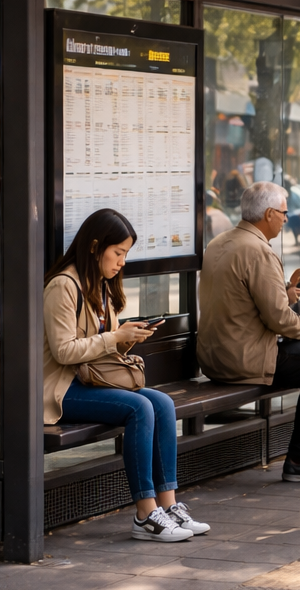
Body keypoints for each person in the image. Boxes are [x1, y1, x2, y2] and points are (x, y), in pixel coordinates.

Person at [43, 208, 209, 541]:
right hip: (61, 390)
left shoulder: (101, 286)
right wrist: (115, 338)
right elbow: (63, 351)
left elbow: (103, 351)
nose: (122, 262)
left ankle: (169, 505)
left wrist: (126, 339)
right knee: (139, 407)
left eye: (125, 254)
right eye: (118, 253)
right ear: (94, 247)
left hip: (91, 381)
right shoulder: (63, 286)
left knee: (161, 403)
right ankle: (146, 516)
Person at [197, 181, 300, 484]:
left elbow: (249, 304)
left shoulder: (219, 242)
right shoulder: (259, 252)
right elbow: (277, 318)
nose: (286, 218)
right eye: (284, 213)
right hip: (243, 358)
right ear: (268, 214)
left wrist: (289, 295)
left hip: (214, 355)